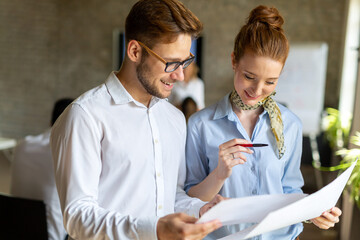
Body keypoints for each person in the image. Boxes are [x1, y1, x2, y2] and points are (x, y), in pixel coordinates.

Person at [50, 1, 222, 239]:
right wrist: (154, 230)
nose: (180, 75)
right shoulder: (85, 115)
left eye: (185, 62)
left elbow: (171, 196)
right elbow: (78, 217)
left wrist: (199, 208)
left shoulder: (174, 118)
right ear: (134, 51)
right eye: (171, 63)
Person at [184, 5, 342, 240]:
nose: (257, 90)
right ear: (234, 61)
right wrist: (219, 174)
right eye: (249, 76)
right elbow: (189, 201)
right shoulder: (200, 125)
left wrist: (312, 212)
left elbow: (289, 191)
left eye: (270, 81)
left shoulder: (290, 125)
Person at [11, 98, 73, 240]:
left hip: (13, 230)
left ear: (51, 121)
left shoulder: (22, 146)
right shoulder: (67, 153)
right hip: (51, 235)